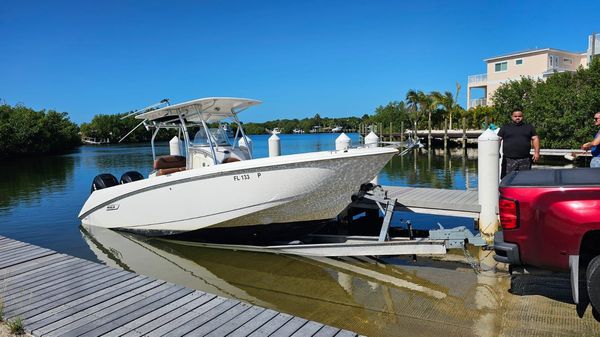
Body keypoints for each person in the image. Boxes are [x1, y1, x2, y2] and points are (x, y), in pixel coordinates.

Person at [498, 110, 540, 178]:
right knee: (507, 180)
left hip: (525, 159)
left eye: (519, 116)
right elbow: (498, 140)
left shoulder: (529, 127)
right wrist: (496, 152)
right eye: (515, 116)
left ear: (522, 117)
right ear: (512, 117)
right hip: (508, 160)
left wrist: (537, 153)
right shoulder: (505, 127)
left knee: (524, 181)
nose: (517, 118)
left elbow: (535, 138)